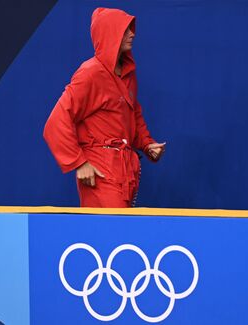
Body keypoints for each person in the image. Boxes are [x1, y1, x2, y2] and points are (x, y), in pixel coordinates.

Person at [44, 7, 165, 207]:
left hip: (126, 171)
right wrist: (79, 162)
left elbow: (131, 113)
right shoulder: (90, 73)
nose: (132, 34)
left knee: (121, 234)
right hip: (101, 171)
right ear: (111, 34)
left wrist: (146, 144)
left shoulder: (127, 73)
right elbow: (55, 122)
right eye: (125, 30)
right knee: (109, 234)